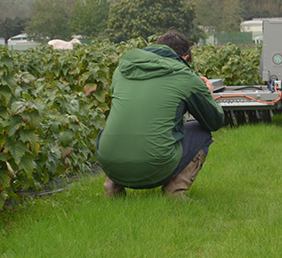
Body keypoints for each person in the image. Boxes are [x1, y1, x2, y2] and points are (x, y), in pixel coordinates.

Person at [96, 31, 225, 199]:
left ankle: (112, 189)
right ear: (185, 58)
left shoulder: (122, 71)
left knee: (121, 126)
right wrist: (206, 94)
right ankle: (175, 192)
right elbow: (214, 121)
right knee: (201, 132)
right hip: (156, 167)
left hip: (109, 162)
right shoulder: (185, 75)